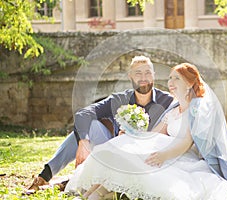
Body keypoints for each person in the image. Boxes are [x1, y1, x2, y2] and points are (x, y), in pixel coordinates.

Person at [64, 63, 227, 199]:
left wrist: (163, 156)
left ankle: (98, 193)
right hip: (164, 149)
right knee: (122, 146)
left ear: (189, 84)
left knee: (132, 160)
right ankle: (91, 192)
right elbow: (155, 134)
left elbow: (185, 142)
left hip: (180, 156)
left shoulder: (196, 109)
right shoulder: (173, 110)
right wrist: (133, 135)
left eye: (176, 79)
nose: (170, 83)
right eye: (170, 78)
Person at [27, 55, 175, 193]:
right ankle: (44, 176)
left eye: (148, 73)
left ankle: (67, 181)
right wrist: (83, 142)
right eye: (138, 73)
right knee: (90, 126)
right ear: (130, 76)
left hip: (144, 156)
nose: (143, 78)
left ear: (154, 75)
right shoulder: (119, 99)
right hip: (113, 147)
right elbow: (83, 114)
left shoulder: (167, 101)